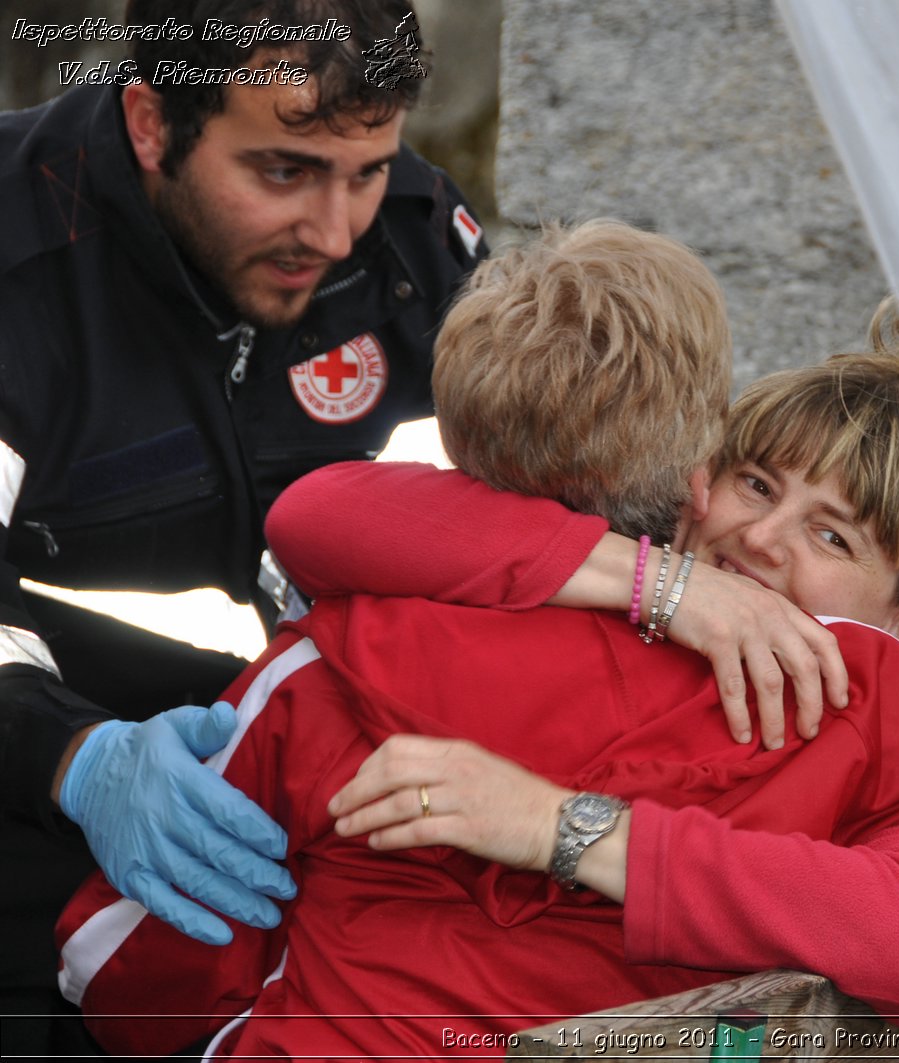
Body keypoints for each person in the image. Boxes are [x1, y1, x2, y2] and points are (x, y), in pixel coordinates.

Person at [56, 221, 899, 1059]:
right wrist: (667, 587)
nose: (764, 542)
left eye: (832, 533)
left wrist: (564, 830)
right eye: (756, 483)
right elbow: (323, 514)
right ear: (693, 483)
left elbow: (125, 958)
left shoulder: (895, 731)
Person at [0, 0, 490, 1049]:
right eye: (283, 171)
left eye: (364, 170)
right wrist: (73, 753)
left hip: (340, 828)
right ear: (150, 121)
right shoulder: (15, 268)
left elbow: (522, 506)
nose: (334, 230)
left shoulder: (412, 244)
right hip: (37, 823)